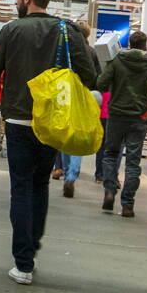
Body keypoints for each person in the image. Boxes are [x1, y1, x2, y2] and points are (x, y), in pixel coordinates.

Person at [0, 0, 98, 285]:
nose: (16, 1)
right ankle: (31, 252)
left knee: (20, 187)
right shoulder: (67, 31)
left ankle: (23, 262)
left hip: (18, 120)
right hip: (53, 121)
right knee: (40, 185)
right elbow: (90, 74)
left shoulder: (11, 30)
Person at [96, 30, 147, 217]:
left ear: (128, 44)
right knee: (133, 163)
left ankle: (109, 191)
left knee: (110, 155)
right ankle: (128, 205)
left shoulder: (116, 61)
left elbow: (101, 84)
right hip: (138, 118)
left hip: (116, 116)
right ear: (145, 46)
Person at [55, 21, 93, 197]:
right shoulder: (90, 52)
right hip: (82, 99)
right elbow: (95, 77)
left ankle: (65, 173)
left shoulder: (62, 49)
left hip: (63, 96)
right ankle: (71, 176)